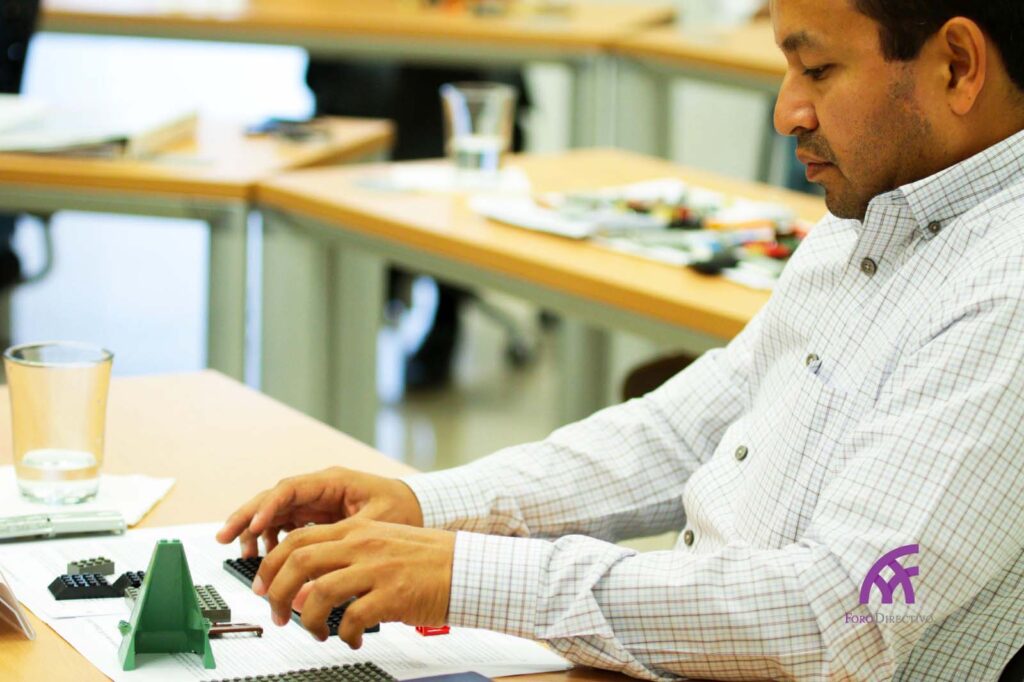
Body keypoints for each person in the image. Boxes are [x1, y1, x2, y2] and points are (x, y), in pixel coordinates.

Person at [218, 0, 1024, 678]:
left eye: (817, 71)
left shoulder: (1003, 290)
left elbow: (836, 611)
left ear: (957, 66)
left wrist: (464, 575)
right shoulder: (877, 214)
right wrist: (428, 508)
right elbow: (680, 432)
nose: (787, 113)